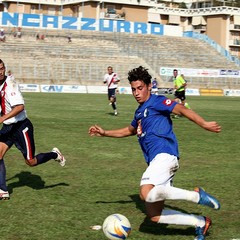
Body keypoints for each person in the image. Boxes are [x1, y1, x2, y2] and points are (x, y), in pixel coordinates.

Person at [89, 66, 221, 240]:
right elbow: (128, 130)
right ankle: (200, 222)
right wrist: (105, 133)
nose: (136, 93)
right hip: (157, 162)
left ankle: (196, 195)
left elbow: (181, 109)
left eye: (140, 88)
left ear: (149, 86)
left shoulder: (157, 101)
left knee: (145, 193)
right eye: (134, 89)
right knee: (155, 215)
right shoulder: (139, 112)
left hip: (165, 154)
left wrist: (203, 123)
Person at [0, 59, 66, 200]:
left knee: (31, 161)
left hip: (21, 127)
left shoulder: (10, 85)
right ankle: (3, 190)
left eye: (2, 68)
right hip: (8, 128)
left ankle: (54, 154)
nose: (0, 72)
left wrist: (1, 118)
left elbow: (19, 107)